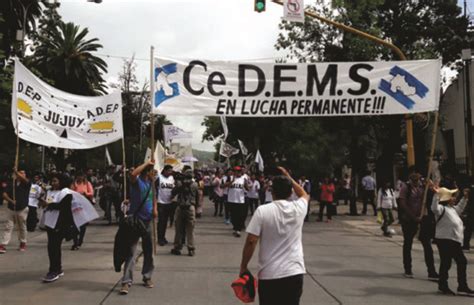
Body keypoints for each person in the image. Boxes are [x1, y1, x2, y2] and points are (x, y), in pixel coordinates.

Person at [239, 167, 309, 305]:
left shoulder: (263, 211)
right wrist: (288, 176)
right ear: (290, 193)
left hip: (269, 274)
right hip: (294, 273)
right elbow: (304, 194)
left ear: (272, 192)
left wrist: (243, 266)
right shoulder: (298, 209)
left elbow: (251, 241)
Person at [120, 160, 157, 295]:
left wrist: (155, 209)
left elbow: (154, 198)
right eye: (152, 171)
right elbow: (133, 174)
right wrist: (147, 162)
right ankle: (126, 281)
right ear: (146, 171)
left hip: (148, 222)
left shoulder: (151, 183)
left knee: (148, 251)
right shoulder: (137, 182)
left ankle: (147, 276)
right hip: (135, 222)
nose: (154, 173)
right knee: (131, 252)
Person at [431, 187, 474, 296]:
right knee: (447, 262)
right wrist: (436, 195)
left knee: (457, 262)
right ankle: (445, 285)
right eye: (452, 196)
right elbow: (434, 208)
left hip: (454, 240)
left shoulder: (453, 209)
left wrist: (465, 198)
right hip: (445, 239)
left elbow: (460, 207)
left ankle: (460, 286)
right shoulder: (441, 209)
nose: (454, 198)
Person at [398, 167, 437, 279]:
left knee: (427, 244)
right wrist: (413, 217)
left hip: (422, 218)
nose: (417, 179)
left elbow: (431, 197)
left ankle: (431, 271)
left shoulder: (423, 187)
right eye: (414, 177)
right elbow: (403, 203)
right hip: (409, 219)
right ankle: (408, 269)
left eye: (418, 176)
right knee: (408, 243)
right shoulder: (406, 187)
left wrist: (431, 187)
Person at [40, 174, 74, 283]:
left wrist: (49, 205)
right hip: (50, 223)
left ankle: (53, 271)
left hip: (60, 223)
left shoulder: (66, 192)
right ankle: (57, 268)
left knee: (53, 246)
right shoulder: (50, 192)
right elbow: (48, 203)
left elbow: (64, 207)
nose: (53, 183)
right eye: (52, 181)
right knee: (52, 246)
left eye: (55, 181)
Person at [0, 169, 31, 253]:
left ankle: (23, 242)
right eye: (20, 173)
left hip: (22, 208)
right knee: (8, 227)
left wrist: (16, 172)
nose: (22, 174)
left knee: (22, 227)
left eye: (23, 173)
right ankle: (3, 244)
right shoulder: (11, 184)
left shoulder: (26, 183)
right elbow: (4, 194)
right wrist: (10, 200)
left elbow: (25, 180)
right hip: (11, 208)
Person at [170, 169, 199, 256]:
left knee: (179, 229)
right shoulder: (195, 184)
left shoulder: (186, 184)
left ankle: (178, 247)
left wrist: (179, 182)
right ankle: (190, 248)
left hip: (182, 207)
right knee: (190, 229)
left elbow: (174, 192)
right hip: (190, 208)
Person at [70, 173, 93, 250]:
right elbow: (70, 192)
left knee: (83, 225)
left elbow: (91, 193)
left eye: (81, 176)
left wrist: (86, 193)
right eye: (78, 176)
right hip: (75, 205)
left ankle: (80, 240)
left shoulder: (87, 183)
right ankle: (75, 242)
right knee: (74, 225)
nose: (79, 178)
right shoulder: (74, 184)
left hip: (84, 204)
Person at [226, 166, 249, 237]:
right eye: (235, 171)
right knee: (233, 216)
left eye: (239, 171)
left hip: (240, 200)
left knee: (240, 216)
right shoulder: (230, 178)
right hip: (231, 200)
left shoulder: (243, 179)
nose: (237, 172)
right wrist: (232, 181)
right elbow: (223, 186)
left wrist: (246, 185)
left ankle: (238, 230)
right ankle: (236, 228)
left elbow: (247, 189)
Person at [156, 165, 175, 246]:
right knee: (161, 221)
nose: (170, 172)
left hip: (169, 202)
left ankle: (163, 237)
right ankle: (160, 238)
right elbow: (154, 187)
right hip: (161, 202)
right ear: (165, 170)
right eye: (169, 171)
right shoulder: (159, 177)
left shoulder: (171, 178)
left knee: (165, 222)